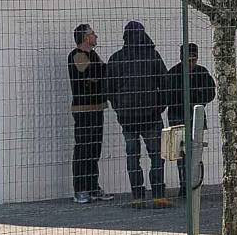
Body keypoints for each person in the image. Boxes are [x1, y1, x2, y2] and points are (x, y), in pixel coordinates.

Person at [108, 21, 171, 208]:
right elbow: (165, 83)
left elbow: (109, 89)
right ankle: (158, 195)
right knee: (157, 156)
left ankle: (137, 197)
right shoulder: (152, 56)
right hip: (151, 117)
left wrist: (119, 109)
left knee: (132, 157)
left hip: (127, 118)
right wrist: (160, 106)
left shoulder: (116, 58)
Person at [67, 24, 113, 204]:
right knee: (83, 149)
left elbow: (101, 73)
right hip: (84, 109)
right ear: (86, 38)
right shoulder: (77, 55)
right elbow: (94, 73)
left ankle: (93, 186)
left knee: (94, 149)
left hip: (97, 107)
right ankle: (80, 189)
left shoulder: (93, 55)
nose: (96, 36)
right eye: (93, 34)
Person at [166, 43, 216, 196]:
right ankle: (184, 185)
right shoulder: (173, 73)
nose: (191, 63)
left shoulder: (202, 72)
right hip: (178, 118)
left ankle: (193, 184)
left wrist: (195, 100)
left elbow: (210, 93)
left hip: (195, 117)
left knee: (195, 153)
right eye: (188, 60)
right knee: (181, 154)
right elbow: (169, 96)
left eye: (194, 60)